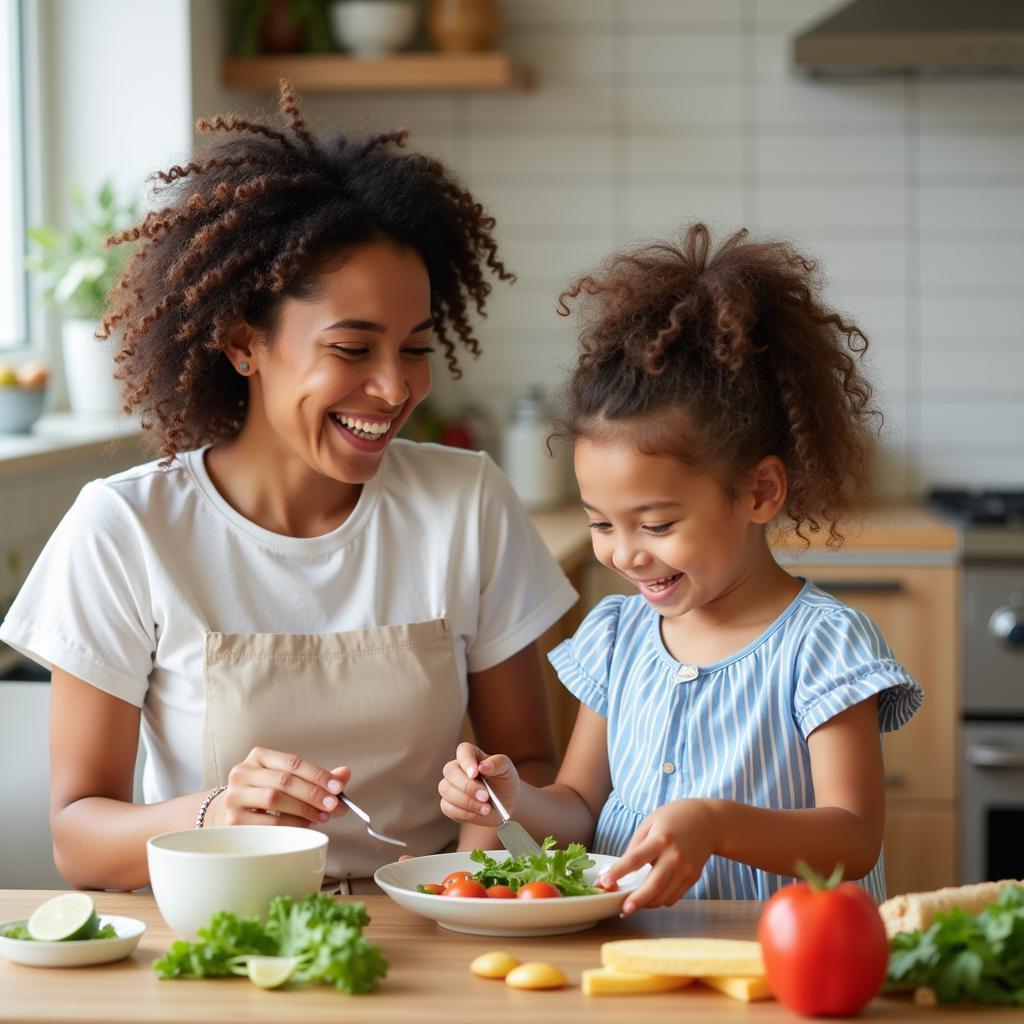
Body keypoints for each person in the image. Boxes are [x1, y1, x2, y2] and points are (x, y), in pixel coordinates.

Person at [0, 82, 577, 893]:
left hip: (431, 936)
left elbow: (537, 770)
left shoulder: (467, 502)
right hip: (223, 937)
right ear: (245, 343)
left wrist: (482, 832)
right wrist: (213, 814)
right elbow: (78, 837)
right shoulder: (127, 527)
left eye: (414, 348)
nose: (393, 389)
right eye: (351, 349)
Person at [438, 222, 924, 911]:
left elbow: (853, 837)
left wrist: (717, 824)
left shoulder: (825, 645)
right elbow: (578, 808)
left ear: (759, 493)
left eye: (657, 524)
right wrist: (509, 802)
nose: (625, 553)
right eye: (601, 524)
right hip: (634, 961)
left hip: (779, 965)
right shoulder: (617, 637)